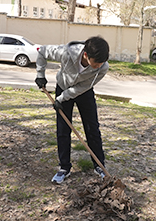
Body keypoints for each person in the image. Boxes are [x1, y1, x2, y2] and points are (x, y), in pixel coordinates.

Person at [35, 36, 110, 184]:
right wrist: (40, 75)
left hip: (84, 92)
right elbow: (42, 51)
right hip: (63, 86)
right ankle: (64, 168)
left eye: (101, 63)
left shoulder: (103, 67)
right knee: (63, 130)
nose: (99, 66)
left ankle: (99, 165)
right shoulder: (66, 53)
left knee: (92, 128)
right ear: (86, 55)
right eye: (96, 63)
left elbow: (83, 87)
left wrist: (62, 99)